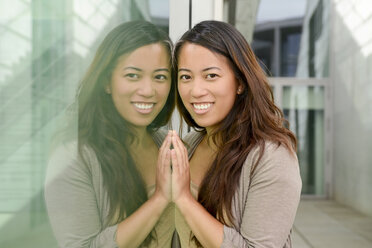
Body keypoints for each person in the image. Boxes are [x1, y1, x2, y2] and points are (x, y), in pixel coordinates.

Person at [170, 20, 302, 247]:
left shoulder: (271, 156)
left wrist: (184, 199)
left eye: (211, 75)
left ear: (239, 82)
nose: (196, 90)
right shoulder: (188, 145)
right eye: (186, 77)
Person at [45, 21, 176, 248]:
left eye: (160, 77)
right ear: (107, 81)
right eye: (133, 75)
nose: (148, 90)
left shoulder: (170, 145)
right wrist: (160, 200)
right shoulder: (72, 157)